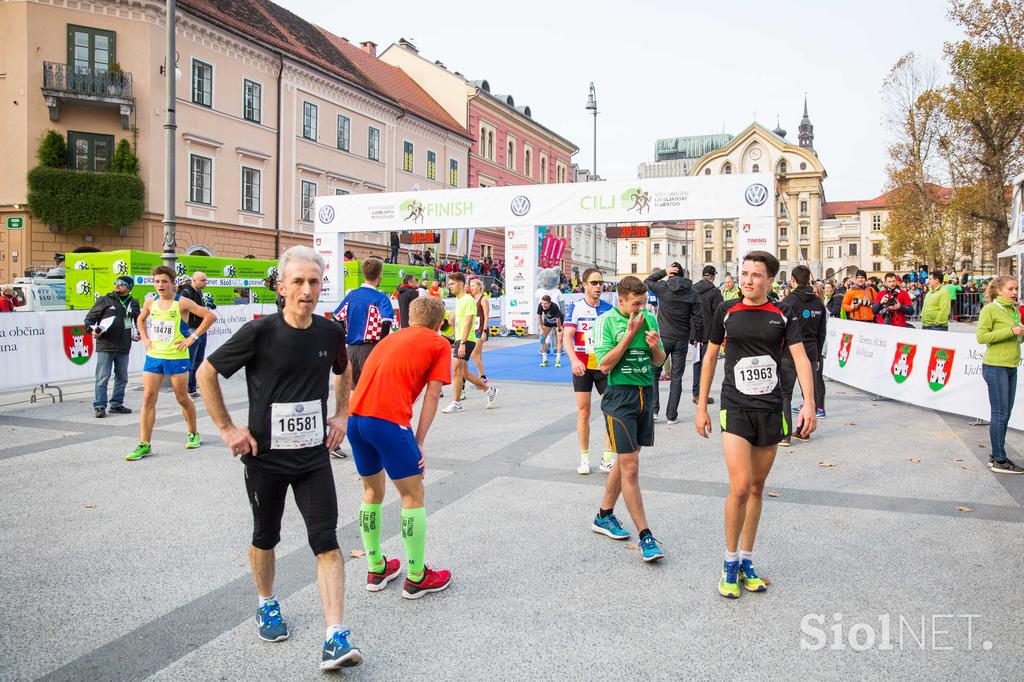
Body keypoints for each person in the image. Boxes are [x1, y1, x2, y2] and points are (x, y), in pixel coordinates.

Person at [197, 246, 363, 670]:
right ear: (281, 286)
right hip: (265, 459)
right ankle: (266, 602)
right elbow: (206, 372)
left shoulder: (330, 332)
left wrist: (342, 413)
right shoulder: (261, 332)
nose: (307, 290)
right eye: (298, 282)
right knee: (265, 537)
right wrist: (228, 429)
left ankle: (335, 636)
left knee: (326, 540)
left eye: (314, 282)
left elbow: (343, 370)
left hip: (313, 458)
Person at [694, 251, 817, 599]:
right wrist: (701, 405)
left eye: (756, 275)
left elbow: (800, 359)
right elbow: (709, 357)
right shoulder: (726, 311)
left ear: (770, 280)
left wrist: (809, 402)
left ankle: (747, 559)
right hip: (735, 407)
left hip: (770, 407)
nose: (748, 280)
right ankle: (729, 561)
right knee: (740, 486)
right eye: (744, 274)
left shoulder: (782, 314)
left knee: (758, 487)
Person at [349, 296, 453, 598]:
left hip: (357, 419)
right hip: (388, 421)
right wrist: (418, 443)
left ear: (410, 317)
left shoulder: (389, 338)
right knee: (412, 495)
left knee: (371, 492)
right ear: (438, 323)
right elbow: (434, 395)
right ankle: (417, 575)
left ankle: (376, 567)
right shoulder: (438, 343)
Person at [590, 276, 667, 562]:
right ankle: (646, 536)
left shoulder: (648, 318)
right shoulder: (607, 322)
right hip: (619, 397)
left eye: (644, 303)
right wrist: (627, 335)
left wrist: (655, 345)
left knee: (626, 461)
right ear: (620, 300)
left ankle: (603, 515)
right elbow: (605, 363)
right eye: (636, 304)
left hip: (645, 393)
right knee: (631, 467)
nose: (641, 309)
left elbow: (659, 361)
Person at [127, 265, 216, 461]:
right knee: (148, 398)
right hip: (155, 356)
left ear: (172, 283)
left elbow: (210, 316)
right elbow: (140, 320)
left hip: (177, 357)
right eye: (157, 281)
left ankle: (193, 433)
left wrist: (192, 337)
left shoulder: (182, 302)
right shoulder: (150, 302)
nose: (160, 285)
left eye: (164, 281)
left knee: (182, 398)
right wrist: (145, 338)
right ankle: (144, 443)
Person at [563, 268, 616, 475]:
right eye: (593, 283)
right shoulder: (576, 308)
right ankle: (584, 458)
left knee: (611, 411)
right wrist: (574, 359)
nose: (598, 287)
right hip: (583, 367)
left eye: (600, 283)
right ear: (584, 285)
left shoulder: (609, 309)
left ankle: (607, 457)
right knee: (584, 412)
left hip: (603, 366)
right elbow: (567, 337)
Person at [976, 276, 1024, 474]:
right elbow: (982, 337)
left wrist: (1020, 334)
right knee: (1000, 413)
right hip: (995, 366)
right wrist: (1011, 331)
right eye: (1010, 289)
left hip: (1010, 365)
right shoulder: (990, 309)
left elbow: (1016, 339)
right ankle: (999, 459)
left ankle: (997, 455)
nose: (1014, 292)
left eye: (1016, 289)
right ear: (998, 291)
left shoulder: (1013, 310)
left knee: (1006, 413)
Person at [644, 262, 702, 425]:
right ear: (683, 275)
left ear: (671, 274)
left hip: (663, 337)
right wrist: (698, 337)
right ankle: (671, 416)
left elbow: (647, 281)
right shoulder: (692, 292)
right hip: (681, 339)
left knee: (654, 374)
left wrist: (663, 272)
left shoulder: (663, 287)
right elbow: (698, 318)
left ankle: (654, 411)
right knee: (676, 377)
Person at [779, 265, 828, 445]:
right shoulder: (819, 303)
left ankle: (784, 435)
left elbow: (780, 329)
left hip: (790, 352)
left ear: (793, 280)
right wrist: (817, 357)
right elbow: (822, 332)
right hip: (812, 351)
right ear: (808, 280)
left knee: (785, 394)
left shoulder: (788, 302)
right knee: (809, 394)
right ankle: (804, 432)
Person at [84, 276, 141, 418]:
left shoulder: (133, 303)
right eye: (116, 282)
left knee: (122, 377)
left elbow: (136, 321)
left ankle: (116, 404)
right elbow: (89, 320)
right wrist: (92, 330)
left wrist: (137, 334)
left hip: (123, 345)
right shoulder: (105, 300)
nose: (117, 285)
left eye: (121, 284)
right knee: (103, 377)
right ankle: (100, 406)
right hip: (106, 344)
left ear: (129, 287)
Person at [441, 273, 497, 413]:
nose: (450, 286)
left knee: (456, 369)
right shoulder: (459, 300)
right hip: (460, 338)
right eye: (449, 284)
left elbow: (468, 322)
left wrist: (462, 343)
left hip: (467, 339)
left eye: (452, 284)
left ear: (461, 284)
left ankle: (456, 403)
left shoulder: (468, 300)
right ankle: (489, 391)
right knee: (463, 372)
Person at [334, 258, 394, 390]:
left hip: (351, 348)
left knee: (353, 389)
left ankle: (353, 411)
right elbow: (386, 322)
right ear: (379, 276)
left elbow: (337, 316)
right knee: (372, 389)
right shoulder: (380, 298)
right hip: (370, 348)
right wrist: (381, 345)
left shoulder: (352, 295)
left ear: (364, 274)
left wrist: (344, 334)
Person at [178, 271, 217, 399]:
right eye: (203, 280)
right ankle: (188, 389)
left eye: (206, 280)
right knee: (191, 361)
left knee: (198, 360)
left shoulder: (199, 292)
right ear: (194, 280)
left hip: (201, 329)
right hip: (192, 329)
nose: (206, 282)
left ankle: (193, 386)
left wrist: (207, 307)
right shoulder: (186, 293)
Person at [692, 265, 724, 404]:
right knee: (707, 364)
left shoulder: (692, 289)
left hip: (694, 333)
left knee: (696, 362)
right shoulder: (714, 291)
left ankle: (695, 393)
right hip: (708, 333)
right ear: (712, 276)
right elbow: (719, 311)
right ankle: (702, 396)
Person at [536, 295, 565, 367]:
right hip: (548, 322)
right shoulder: (540, 305)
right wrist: (542, 328)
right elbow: (539, 317)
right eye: (542, 303)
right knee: (542, 338)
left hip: (558, 322)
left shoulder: (554, 306)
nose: (543, 305)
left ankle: (558, 360)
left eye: (545, 303)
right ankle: (545, 359)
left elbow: (558, 319)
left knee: (560, 339)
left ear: (549, 303)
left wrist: (559, 329)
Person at [469, 278, 489, 382]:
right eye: (470, 286)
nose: (471, 288)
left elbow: (486, 316)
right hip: (473, 329)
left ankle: (483, 377)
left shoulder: (483, 299)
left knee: (474, 354)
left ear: (479, 287)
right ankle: (482, 378)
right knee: (479, 355)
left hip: (480, 330)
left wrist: (484, 332)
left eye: (473, 286)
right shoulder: (472, 299)